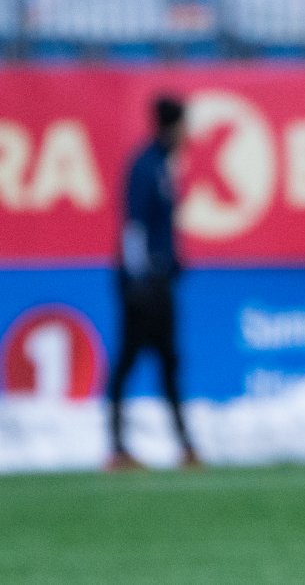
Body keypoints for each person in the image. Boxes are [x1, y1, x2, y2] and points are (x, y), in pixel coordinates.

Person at [107, 95, 199, 471]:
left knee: (167, 361)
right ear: (173, 126)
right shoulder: (146, 166)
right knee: (129, 361)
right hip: (145, 285)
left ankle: (184, 446)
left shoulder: (161, 164)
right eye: (185, 125)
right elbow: (134, 227)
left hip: (157, 280)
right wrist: (138, 280)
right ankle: (118, 448)